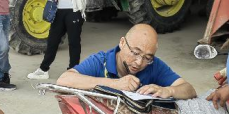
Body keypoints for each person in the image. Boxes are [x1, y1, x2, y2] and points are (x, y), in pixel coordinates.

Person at [57, 24, 196, 100]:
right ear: (122, 43)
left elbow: (189, 89)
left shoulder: (154, 65)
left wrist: (168, 90)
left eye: (147, 57)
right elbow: (63, 80)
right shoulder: (100, 61)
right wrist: (115, 84)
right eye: (135, 53)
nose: (139, 62)